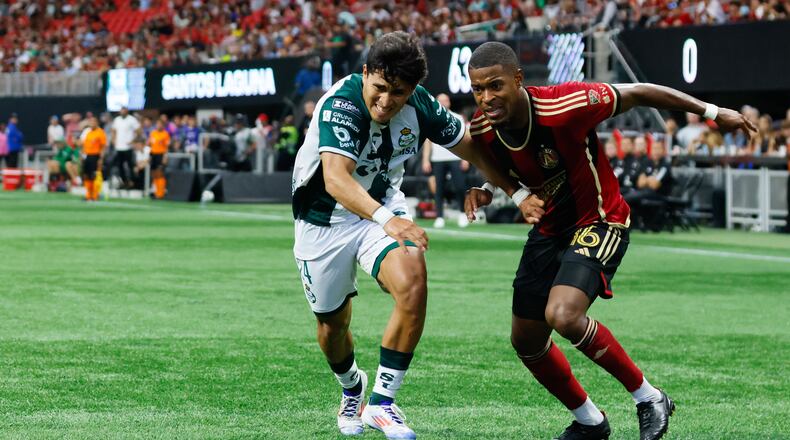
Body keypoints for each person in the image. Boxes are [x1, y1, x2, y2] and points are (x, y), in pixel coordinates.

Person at [461, 42, 755, 440]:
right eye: (478, 89)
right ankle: (590, 422)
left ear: (518, 80)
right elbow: (497, 163)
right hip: (549, 230)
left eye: (495, 86)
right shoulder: (481, 127)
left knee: (562, 315)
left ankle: (648, 397)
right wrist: (485, 187)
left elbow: (639, 91)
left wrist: (713, 112)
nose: (486, 98)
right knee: (526, 341)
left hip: (599, 220)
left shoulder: (565, 104)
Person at [291, 31, 470, 439]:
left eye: (399, 93)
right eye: (381, 88)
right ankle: (352, 387)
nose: (387, 101)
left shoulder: (420, 104)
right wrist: (387, 220)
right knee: (331, 326)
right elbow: (336, 180)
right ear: (366, 72)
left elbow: (471, 145)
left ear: (414, 90)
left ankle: (382, 403)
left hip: (381, 208)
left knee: (413, 283)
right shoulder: (341, 103)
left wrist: (508, 189)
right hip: (324, 220)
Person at [421, 93, 471, 228]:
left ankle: (462, 213)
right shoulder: (431, 118)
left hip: (455, 157)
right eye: (440, 100)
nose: (443, 102)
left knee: (460, 186)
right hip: (438, 159)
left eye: (445, 100)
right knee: (439, 189)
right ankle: (439, 216)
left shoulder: (458, 117)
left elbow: (466, 140)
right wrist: (426, 160)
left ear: (449, 102)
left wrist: (466, 158)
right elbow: (428, 141)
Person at [111, 106, 141, 189]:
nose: (122, 111)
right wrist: (113, 140)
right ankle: (125, 182)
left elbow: (139, 130)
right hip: (119, 147)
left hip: (128, 147)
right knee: (120, 166)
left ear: (127, 111)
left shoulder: (132, 119)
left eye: (124, 110)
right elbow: (113, 130)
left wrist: (133, 140)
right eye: (121, 110)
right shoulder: (117, 120)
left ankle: (133, 182)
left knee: (130, 165)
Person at [81, 116, 107, 201]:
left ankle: (95, 195)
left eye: (94, 122)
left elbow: (103, 147)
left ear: (97, 123)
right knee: (86, 176)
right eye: (91, 122)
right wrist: (82, 156)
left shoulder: (100, 133)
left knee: (94, 176)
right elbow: (84, 146)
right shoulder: (88, 133)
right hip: (87, 156)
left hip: (95, 156)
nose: (92, 123)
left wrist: (101, 158)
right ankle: (88, 195)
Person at [148, 119, 171, 199]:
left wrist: (165, 157)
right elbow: (150, 144)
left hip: (161, 155)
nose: (158, 126)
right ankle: (156, 191)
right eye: (157, 124)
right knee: (154, 174)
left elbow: (167, 147)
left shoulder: (165, 134)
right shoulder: (153, 133)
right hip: (153, 154)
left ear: (163, 125)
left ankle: (161, 193)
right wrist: (149, 156)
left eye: (160, 124)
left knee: (160, 173)